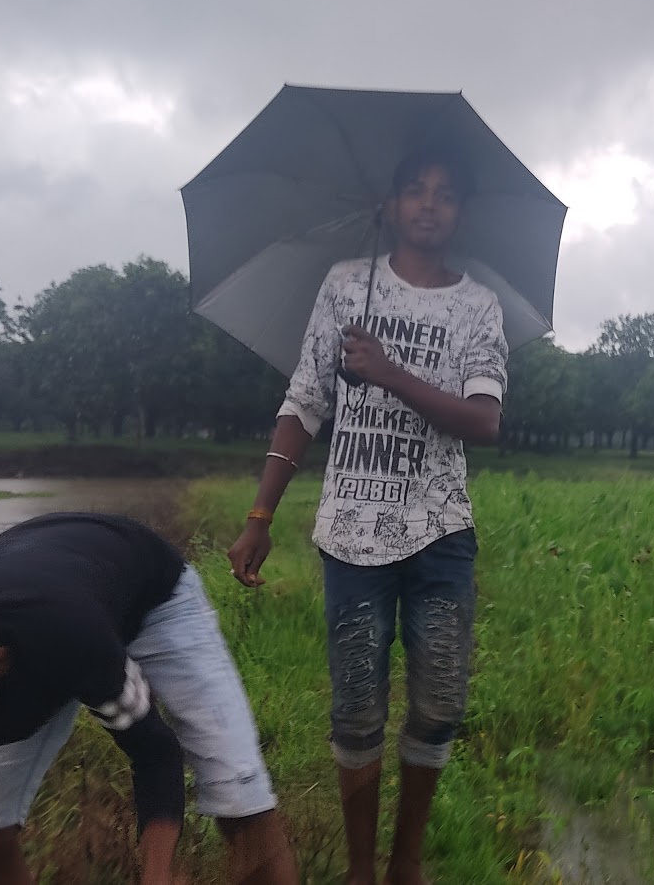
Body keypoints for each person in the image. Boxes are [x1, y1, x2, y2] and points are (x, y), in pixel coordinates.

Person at [227, 143, 508, 885]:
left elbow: (484, 421)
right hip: (352, 535)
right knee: (357, 710)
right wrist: (260, 514)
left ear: (461, 212)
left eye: (445, 193)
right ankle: (359, 870)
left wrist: (388, 371)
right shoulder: (346, 286)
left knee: (439, 705)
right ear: (389, 205)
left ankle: (404, 864)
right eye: (415, 189)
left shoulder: (477, 306)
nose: (429, 203)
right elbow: (305, 401)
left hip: (441, 534)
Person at [0, 511, 299, 885]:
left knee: (238, 793)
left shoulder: (70, 641)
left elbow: (155, 753)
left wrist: (157, 873)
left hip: (150, 594)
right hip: (53, 588)